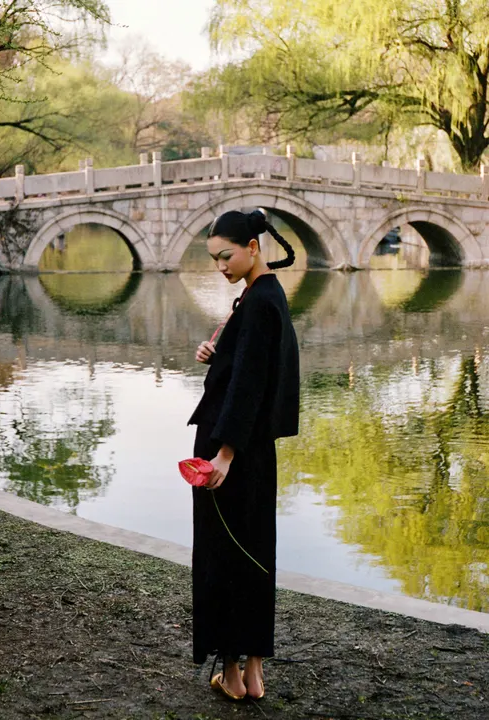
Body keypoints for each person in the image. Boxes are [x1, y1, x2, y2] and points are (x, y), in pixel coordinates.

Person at [188, 209, 300, 701]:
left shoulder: (257, 303)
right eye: (214, 259)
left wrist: (224, 455)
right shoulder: (268, 295)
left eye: (226, 256)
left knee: (223, 557)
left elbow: (251, 385)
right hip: (256, 452)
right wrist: (219, 354)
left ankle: (231, 677)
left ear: (253, 247)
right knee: (254, 553)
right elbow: (256, 369)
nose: (220, 267)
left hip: (229, 450)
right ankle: (254, 672)